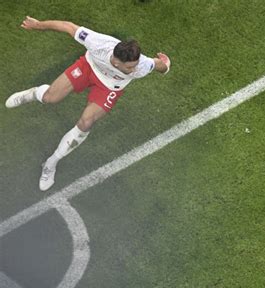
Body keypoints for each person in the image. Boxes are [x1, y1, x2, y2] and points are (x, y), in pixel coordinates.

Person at [5, 16, 171, 191]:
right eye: (129, 67)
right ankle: (33, 94)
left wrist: (166, 65)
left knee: (86, 122)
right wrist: (38, 25)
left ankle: (51, 163)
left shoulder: (142, 65)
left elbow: (159, 65)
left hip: (110, 87)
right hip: (89, 67)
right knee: (49, 98)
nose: (134, 69)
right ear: (115, 62)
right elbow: (68, 26)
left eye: (135, 65)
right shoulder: (98, 44)